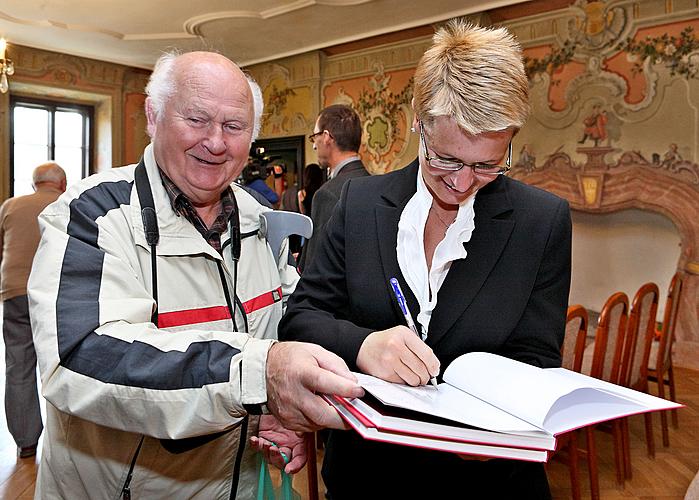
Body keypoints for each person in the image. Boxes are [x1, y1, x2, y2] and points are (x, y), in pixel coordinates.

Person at [27, 51, 363, 499]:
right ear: (153, 114)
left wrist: (277, 408)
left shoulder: (257, 219)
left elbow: (285, 323)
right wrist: (256, 376)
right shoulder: (94, 214)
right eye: (197, 118)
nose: (216, 142)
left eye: (233, 127)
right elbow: (80, 358)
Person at [279, 20, 572, 499]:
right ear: (419, 121)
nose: (461, 183)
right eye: (446, 159)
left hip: (488, 482)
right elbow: (301, 319)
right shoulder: (358, 203)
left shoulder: (542, 221)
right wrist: (364, 345)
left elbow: (536, 358)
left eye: (486, 165)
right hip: (367, 478)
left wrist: (501, 429)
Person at [0, 162, 66, 459]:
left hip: (14, 290)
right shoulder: (69, 201)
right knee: (64, 363)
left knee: (18, 364)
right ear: (62, 184)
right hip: (57, 294)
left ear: (33, 184)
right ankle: (66, 442)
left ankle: (25, 441)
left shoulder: (10, 206)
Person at [297, 104, 369, 272]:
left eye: (315, 136)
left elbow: (315, 265)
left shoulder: (328, 194)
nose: (314, 145)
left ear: (327, 136)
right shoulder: (376, 185)